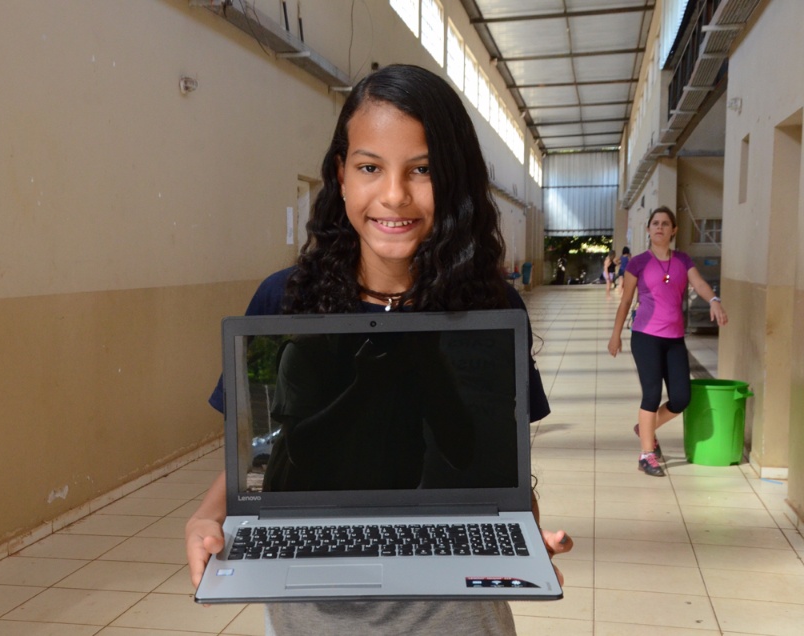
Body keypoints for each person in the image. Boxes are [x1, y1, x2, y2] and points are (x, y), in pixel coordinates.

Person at [185, 64, 572, 635]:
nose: (395, 195)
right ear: (340, 175)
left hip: (451, 612)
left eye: (423, 171)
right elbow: (280, 450)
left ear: (457, 180)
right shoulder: (284, 299)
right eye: (370, 167)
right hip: (311, 611)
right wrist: (206, 514)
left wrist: (521, 531)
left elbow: (481, 459)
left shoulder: (491, 310)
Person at [607, 206, 728, 476]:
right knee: (651, 393)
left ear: (673, 230)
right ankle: (646, 454)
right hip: (645, 337)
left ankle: (645, 430)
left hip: (674, 339)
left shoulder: (683, 260)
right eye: (655, 223)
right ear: (649, 229)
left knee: (681, 398)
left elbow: (700, 285)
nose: (659, 227)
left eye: (665, 224)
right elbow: (626, 300)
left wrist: (714, 300)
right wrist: (616, 335)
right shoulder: (638, 262)